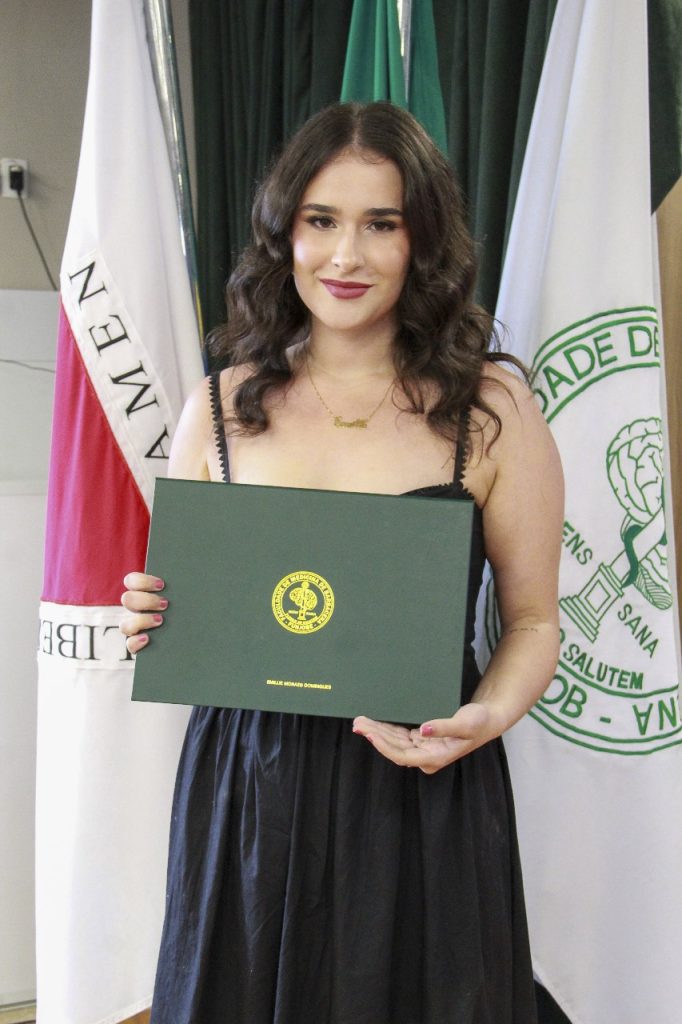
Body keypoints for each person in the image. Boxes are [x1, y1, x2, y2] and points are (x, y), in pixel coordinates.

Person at [121, 101, 563, 1024]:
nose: (346, 256)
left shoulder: (493, 411)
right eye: (321, 220)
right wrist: (150, 615)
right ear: (284, 232)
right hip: (250, 790)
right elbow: (188, 604)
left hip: (420, 788)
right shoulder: (218, 409)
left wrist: (485, 718)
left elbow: (531, 621)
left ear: (423, 240)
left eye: (381, 224)